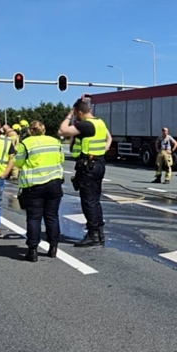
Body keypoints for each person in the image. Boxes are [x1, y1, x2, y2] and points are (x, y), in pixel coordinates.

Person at [59, 95, 111, 247]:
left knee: (88, 201)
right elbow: (109, 138)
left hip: (88, 166)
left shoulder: (86, 125)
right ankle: (99, 232)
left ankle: (93, 234)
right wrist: (102, 151)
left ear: (79, 113)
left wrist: (69, 115)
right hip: (99, 163)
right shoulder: (100, 122)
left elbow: (62, 131)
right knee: (95, 200)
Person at [14, 120, 64, 262]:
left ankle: (33, 251)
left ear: (30, 130)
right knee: (52, 216)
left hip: (34, 186)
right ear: (44, 129)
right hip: (54, 184)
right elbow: (61, 159)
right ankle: (53, 248)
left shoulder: (26, 143)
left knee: (34, 218)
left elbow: (18, 162)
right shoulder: (55, 141)